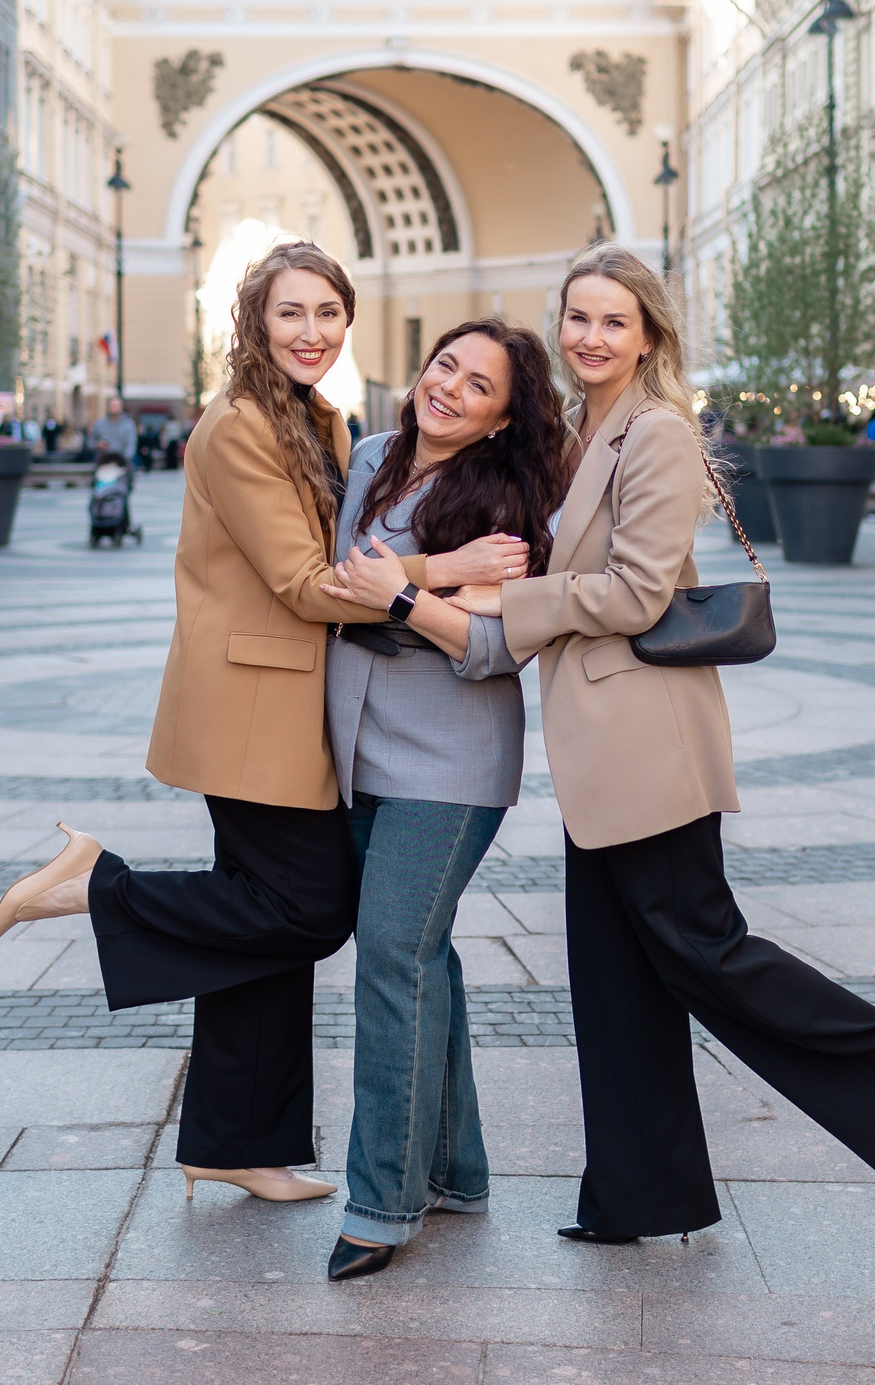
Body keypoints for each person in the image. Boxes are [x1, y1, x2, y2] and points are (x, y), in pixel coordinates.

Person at [446, 244, 875, 1245]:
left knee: (707, 957)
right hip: (601, 745)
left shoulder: (654, 431)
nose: (590, 337)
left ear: (649, 333)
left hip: (646, 740)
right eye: (577, 318)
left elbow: (638, 592)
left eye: (613, 321)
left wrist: (501, 601)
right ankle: (636, 1196)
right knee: (616, 983)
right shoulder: (583, 427)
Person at [0, 238, 403, 1208]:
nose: (312, 331)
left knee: (260, 930)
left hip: (292, 708)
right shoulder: (241, 425)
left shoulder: (317, 421)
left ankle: (234, 1141)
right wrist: (441, 582)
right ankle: (96, 887)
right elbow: (304, 584)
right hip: (254, 709)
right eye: (290, 312)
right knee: (312, 909)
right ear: (253, 320)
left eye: (329, 313)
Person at [313, 318, 572, 1281]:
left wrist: (403, 600)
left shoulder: (510, 499)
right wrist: (434, 582)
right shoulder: (372, 456)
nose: (450, 388)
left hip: (454, 764)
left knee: (390, 951)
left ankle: (381, 1201)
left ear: (506, 416)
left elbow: (502, 647)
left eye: (479, 385)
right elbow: (340, 582)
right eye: (445, 366)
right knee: (422, 952)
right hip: (358, 748)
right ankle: (459, 1169)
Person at [92, 396, 139, 467]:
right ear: (107, 407)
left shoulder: (128, 425)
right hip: (103, 461)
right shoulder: (99, 424)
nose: (114, 408)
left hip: (123, 461)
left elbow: (131, 445)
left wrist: (124, 460)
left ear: (121, 407)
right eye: (112, 406)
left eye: (116, 406)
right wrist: (97, 445)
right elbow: (90, 442)